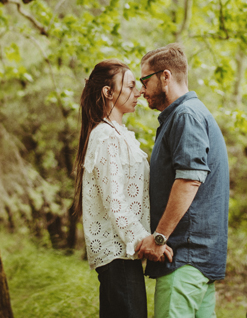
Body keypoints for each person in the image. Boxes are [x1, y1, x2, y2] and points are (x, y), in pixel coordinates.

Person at [72, 59, 173, 318]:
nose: (138, 91)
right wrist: (146, 241)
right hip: (117, 257)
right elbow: (115, 202)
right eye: (129, 86)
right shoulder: (105, 137)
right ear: (108, 92)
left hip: (124, 257)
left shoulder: (118, 135)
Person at [135, 44, 229, 318]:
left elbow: (189, 180)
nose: (141, 90)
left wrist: (159, 237)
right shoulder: (190, 114)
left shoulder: (185, 116)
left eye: (144, 80)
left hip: (183, 262)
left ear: (165, 77)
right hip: (197, 264)